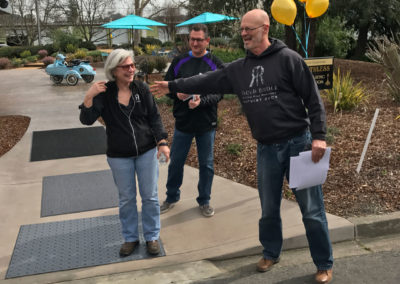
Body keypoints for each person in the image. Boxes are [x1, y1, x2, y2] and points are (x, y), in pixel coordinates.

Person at [151, 9, 333, 284]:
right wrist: (172, 85)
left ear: (266, 27)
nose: (244, 33)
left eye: (249, 28)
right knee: (268, 208)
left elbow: (313, 98)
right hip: (267, 149)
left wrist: (319, 135)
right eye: (242, 30)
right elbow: (204, 80)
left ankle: (323, 263)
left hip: (300, 144)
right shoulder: (238, 69)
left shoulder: (289, 59)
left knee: (311, 209)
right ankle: (271, 252)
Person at [79, 49, 170, 257]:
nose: (131, 69)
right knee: (127, 199)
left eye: (132, 65)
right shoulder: (104, 93)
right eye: (126, 67)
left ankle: (151, 237)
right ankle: (130, 238)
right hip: (119, 155)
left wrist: (162, 141)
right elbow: (86, 120)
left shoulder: (142, 88)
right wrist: (88, 96)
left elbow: (154, 118)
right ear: (114, 69)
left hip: (146, 151)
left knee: (150, 197)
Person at [160, 24, 224, 217]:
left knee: (206, 165)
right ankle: (171, 197)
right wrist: (175, 93)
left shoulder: (215, 63)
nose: (195, 43)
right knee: (176, 162)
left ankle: (204, 200)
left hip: (206, 123)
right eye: (192, 39)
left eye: (199, 39)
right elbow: (167, 86)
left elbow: (220, 93)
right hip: (183, 123)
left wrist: (202, 102)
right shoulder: (179, 61)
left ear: (207, 41)